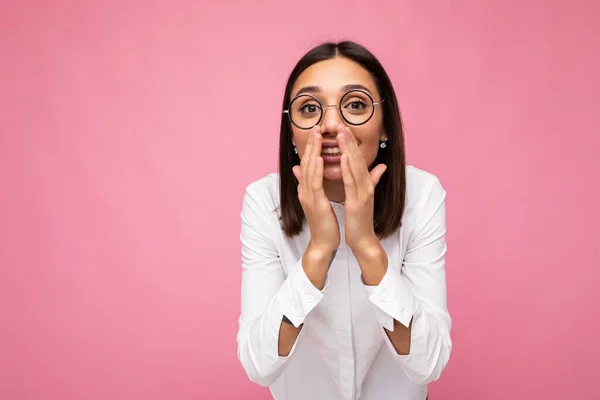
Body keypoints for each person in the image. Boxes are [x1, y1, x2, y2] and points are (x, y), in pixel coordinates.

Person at [236, 40, 451, 400]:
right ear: (291, 132)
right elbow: (259, 365)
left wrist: (366, 245)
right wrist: (319, 250)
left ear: (385, 127)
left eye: (355, 104)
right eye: (309, 108)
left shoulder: (422, 195)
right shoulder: (263, 202)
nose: (332, 125)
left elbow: (428, 363)